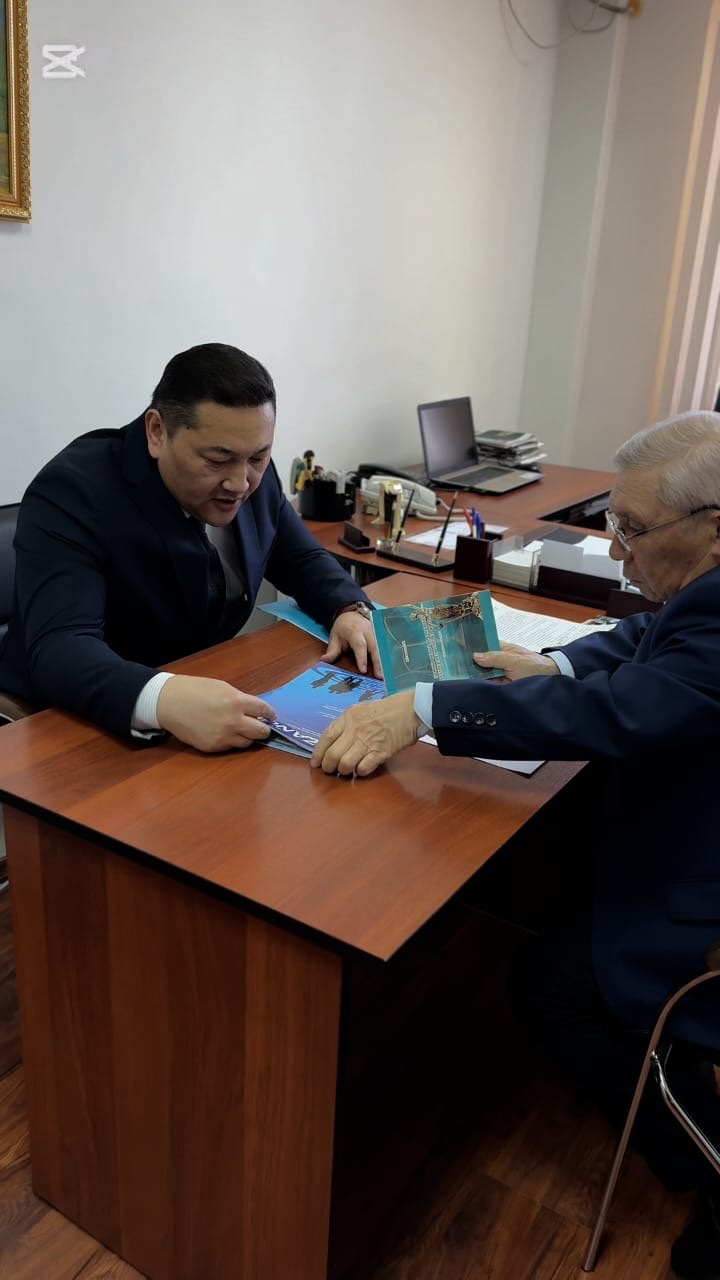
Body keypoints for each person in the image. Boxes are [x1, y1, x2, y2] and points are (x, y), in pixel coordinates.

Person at [312, 410, 720, 1280]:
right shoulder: (704, 593)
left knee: (550, 984)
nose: (617, 552)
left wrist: (422, 708)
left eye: (634, 530)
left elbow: (624, 710)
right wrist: (561, 664)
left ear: (713, 530)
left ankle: (706, 1159)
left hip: (704, 907)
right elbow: (652, 637)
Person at [0, 343, 379, 753]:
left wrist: (348, 609)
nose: (240, 483)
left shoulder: (249, 467)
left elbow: (299, 557)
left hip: (201, 694)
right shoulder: (74, 491)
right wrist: (163, 698)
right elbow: (62, 647)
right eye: (216, 460)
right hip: (81, 721)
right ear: (157, 432)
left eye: (258, 457)